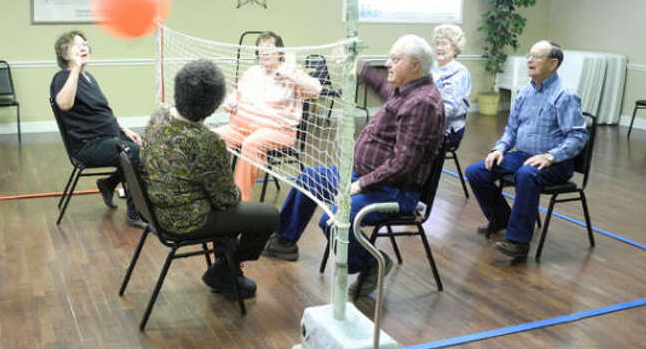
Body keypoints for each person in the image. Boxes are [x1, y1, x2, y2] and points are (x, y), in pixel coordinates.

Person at [263, 35, 446, 297]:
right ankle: (284, 241)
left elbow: (404, 164)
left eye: (395, 59)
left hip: (393, 192)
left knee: (334, 219)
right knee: (310, 177)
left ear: (415, 65)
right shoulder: (408, 91)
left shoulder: (423, 104)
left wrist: (361, 184)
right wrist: (360, 69)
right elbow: (384, 88)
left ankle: (372, 263)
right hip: (366, 177)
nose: (388, 63)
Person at [142, 59, 280, 300]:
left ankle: (227, 269)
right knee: (268, 216)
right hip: (185, 221)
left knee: (215, 201)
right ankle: (225, 269)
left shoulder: (159, 115)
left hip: (153, 210)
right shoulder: (208, 141)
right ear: (213, 105)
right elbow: (228, 199)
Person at [465, 40, 589, 259]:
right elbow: (511, 129)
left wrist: (551, 156)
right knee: (476, 171)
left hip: (556, 163)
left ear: (553, 63)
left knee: (526, 174)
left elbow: (578, 135)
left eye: (537, 56)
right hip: (522, 155)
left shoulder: (565, 94)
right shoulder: (524, 92)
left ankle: (519, 242)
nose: (530, 60)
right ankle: (502, 218)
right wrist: (499, 149)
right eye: (529, 55)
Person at [50, 30, 145, 227]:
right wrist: (75, 69)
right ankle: (135, 214)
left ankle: (108, 184)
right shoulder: (63, 77)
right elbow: (64, 104)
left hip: (108, 138)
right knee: (132, 152)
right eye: (77, 46)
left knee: (143, 148)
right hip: (88, 146)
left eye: (85, 43)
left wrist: (124, 129)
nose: (84, 47)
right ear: (65, 54)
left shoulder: (89, 78)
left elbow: (103, 112)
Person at [214, 32, 322, 201]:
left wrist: (291, 76)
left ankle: (240, 201)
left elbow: (316, 89)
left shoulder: (291, 72)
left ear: (280, 52)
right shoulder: (251, 72)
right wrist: (230, 101)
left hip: (277, 130)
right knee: (213, 138)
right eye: (260, 49)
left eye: (269, 48)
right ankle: (217, 192)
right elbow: (236, 93)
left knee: (252, 144)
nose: (263, 52)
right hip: (240, 127)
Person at [431, 24, 472, 146]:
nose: (439, 47)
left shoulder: (459, 72)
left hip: (448, 131)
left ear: (455, 47)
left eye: (444, 44)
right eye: (437, 43)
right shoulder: (431, 67)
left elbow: (449, 108)